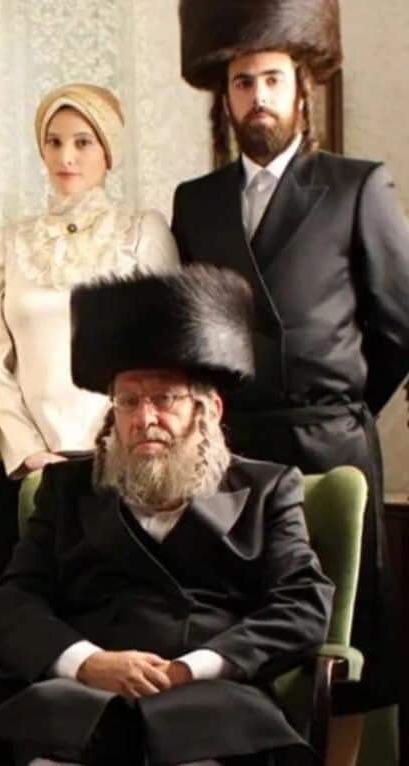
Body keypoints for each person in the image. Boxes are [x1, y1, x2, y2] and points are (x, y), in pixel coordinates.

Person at [0, 265, 333, 766]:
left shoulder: (267, 489)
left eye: (164, 399)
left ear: (210, 409)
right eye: (128, 401)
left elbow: (303, 605)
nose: (144, 418)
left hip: (211, 701)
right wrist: (87, 661)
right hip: (80, 699)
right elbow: (11, 600)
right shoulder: (67, 488)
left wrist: (192, 668)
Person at [171, 0, 409, 752]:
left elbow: (399, 327)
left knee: (346, 634)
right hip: (234, 451)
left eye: (272, 80)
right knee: (240, 632)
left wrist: (340, 404)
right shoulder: (196, 202)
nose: (258, 98)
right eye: (243, 84)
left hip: (332, 445)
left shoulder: (356, 185)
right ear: (226, 97)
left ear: (301, 91)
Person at [0, 83, 178, 580]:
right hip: (31, 469)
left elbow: (168, 352)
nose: (65, 157)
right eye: (54, 142)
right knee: (27, 607)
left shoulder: (143, 232)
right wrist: (28, 452)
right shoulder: (8, 242)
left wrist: (125, 443)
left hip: (124, 462)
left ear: (108, 151)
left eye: (82, 142)